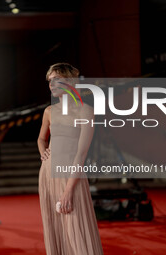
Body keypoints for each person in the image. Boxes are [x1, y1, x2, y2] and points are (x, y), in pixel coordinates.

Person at [37, 63, 104, 254]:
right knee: (55, 228)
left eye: (57, 79)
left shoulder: (85, 111)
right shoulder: (49, 112)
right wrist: (43, 151)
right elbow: (41, 138)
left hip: (71, 176)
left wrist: (68, 190)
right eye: (50, 81)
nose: (52, 84)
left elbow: (81, 154)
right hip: (48, 174)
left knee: (77, 230)